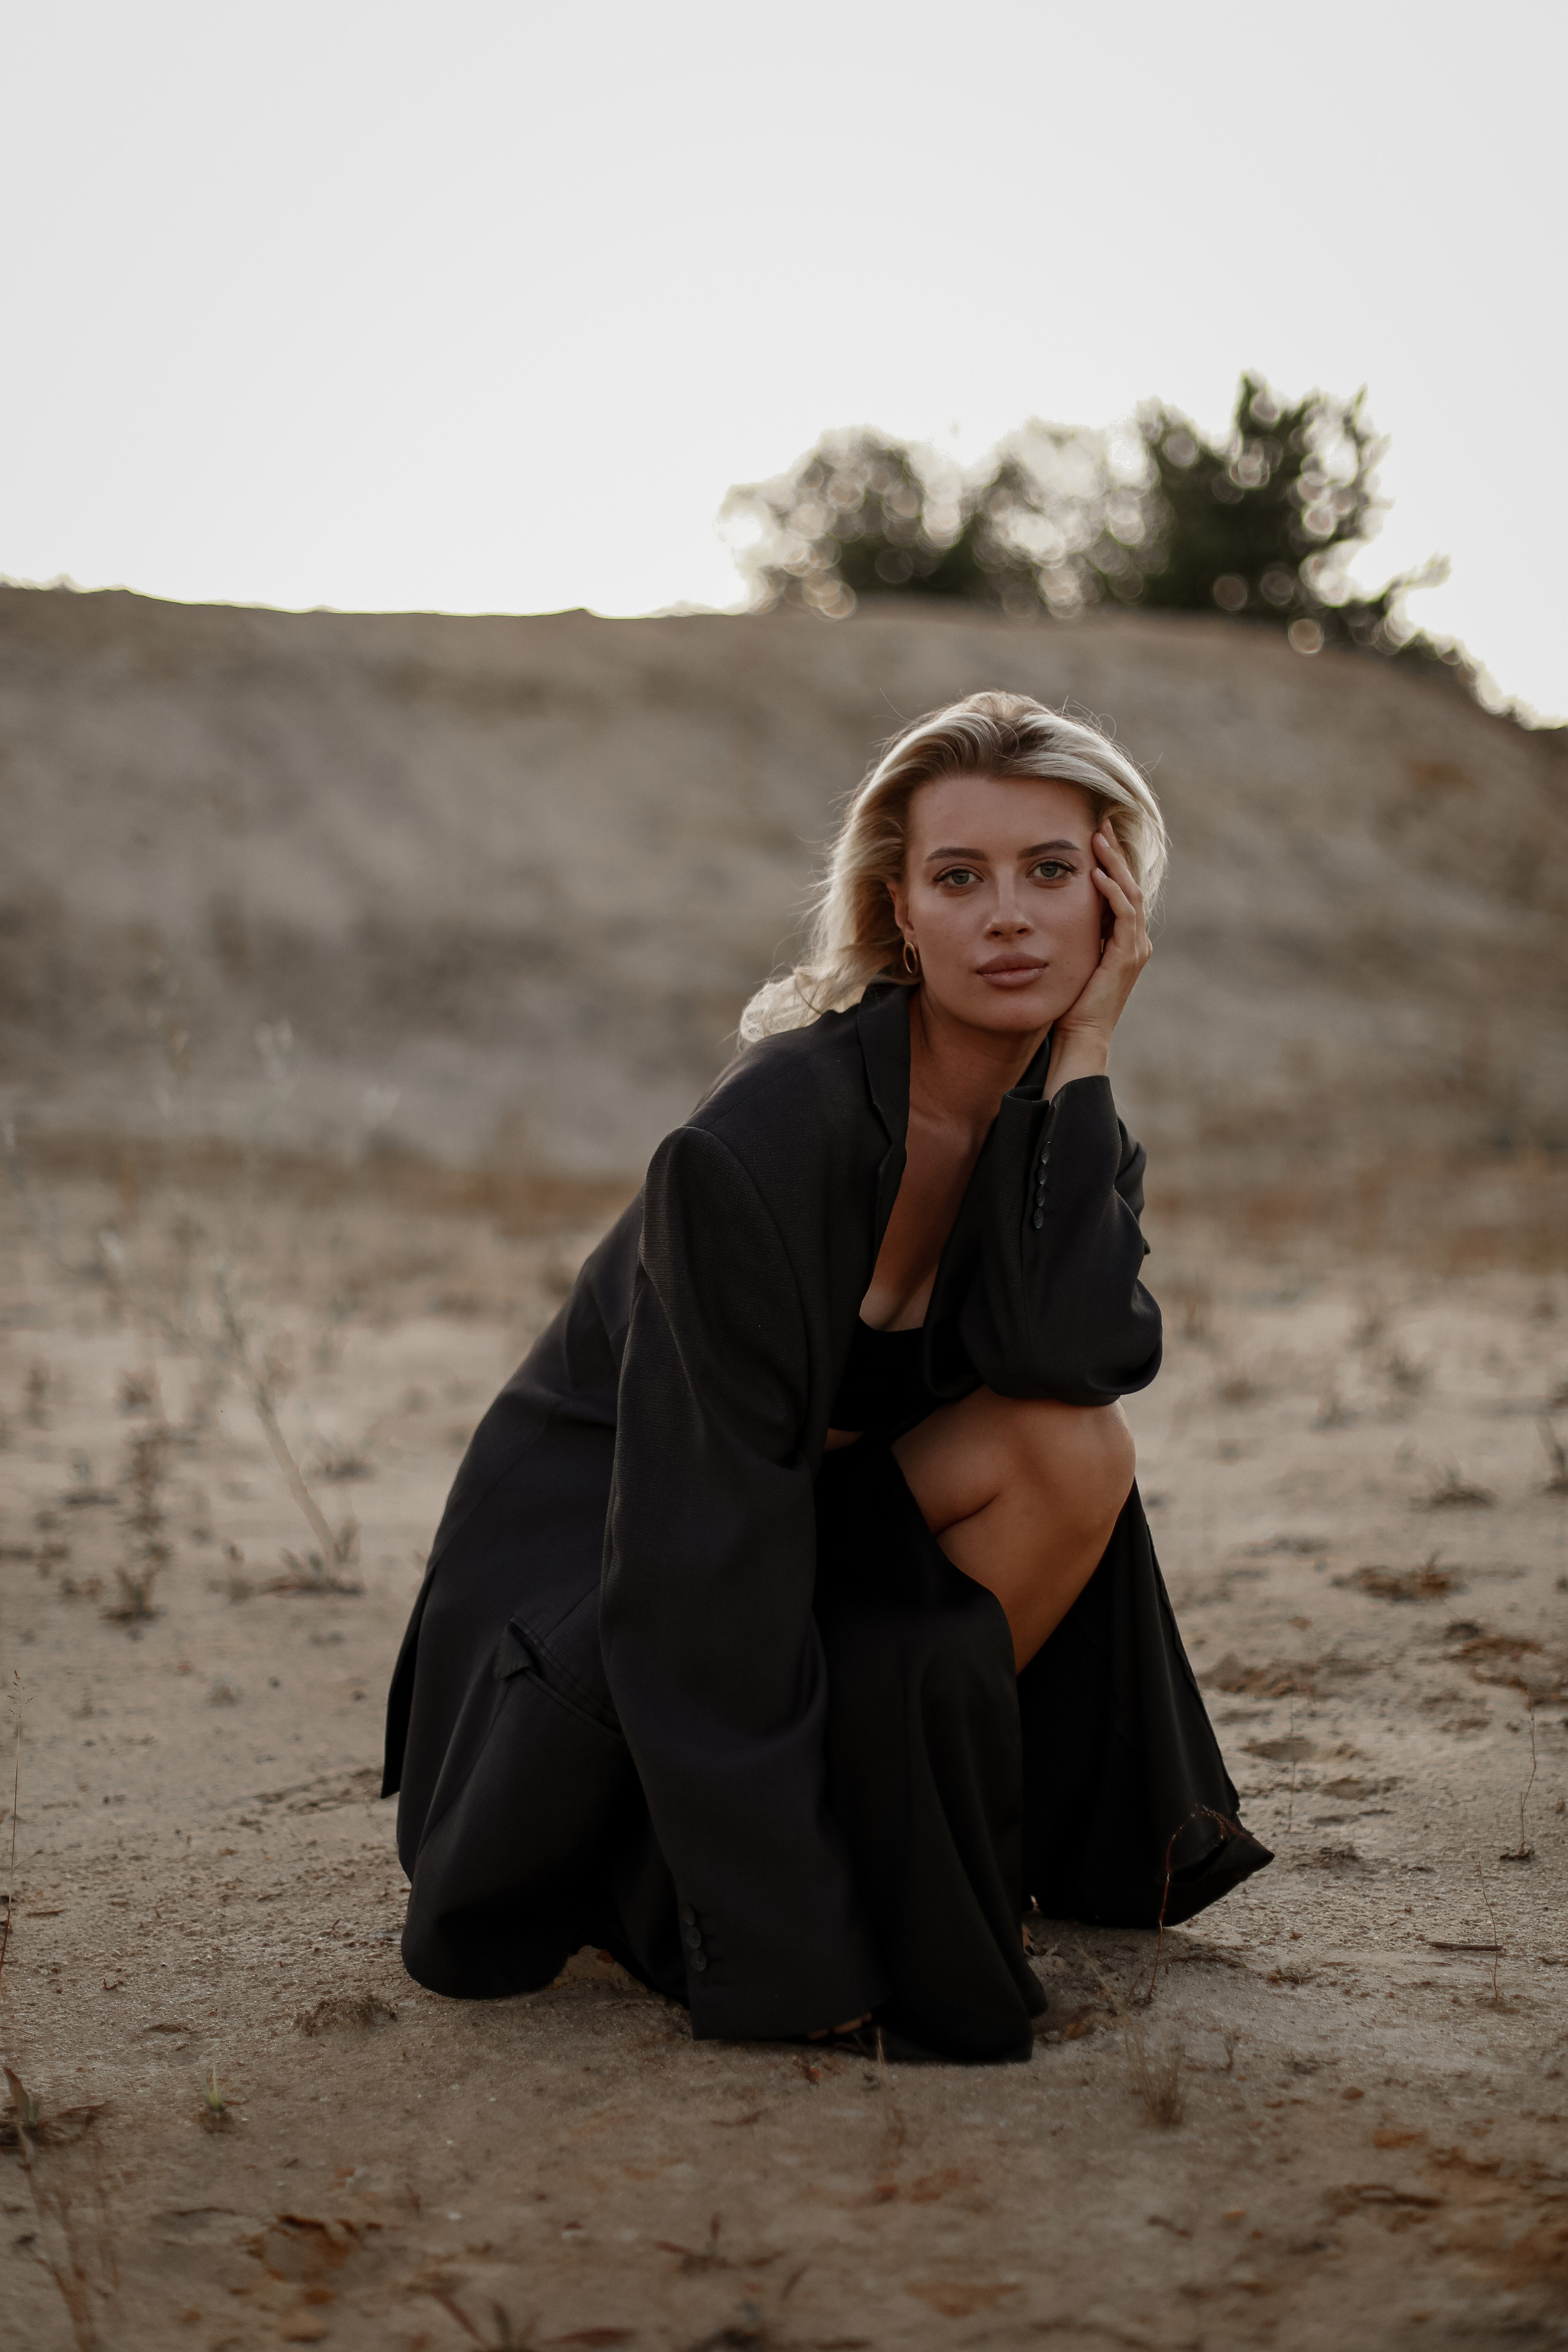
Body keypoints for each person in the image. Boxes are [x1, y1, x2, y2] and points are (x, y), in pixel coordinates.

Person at [383, 690, 1270, 2065]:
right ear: (898, 912)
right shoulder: (759, 1138)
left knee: (1072, 1449)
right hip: (613, 1568)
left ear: (1114, 905)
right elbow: (691, 1562)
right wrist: (775, 1952)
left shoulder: (1065, 1130)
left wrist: (1085, 1051)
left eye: (1052, 872)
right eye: (958, 877)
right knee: (1000, 1481)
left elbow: (1070, 1358)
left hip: (777, 1532)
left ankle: (869, 1836)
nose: (1011, 917)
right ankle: (703, 1881)